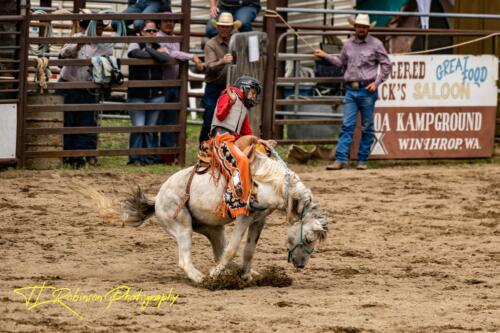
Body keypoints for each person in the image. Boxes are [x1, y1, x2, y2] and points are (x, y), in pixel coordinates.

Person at [314, 13, 391, 170]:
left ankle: (362, 160)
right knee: (347, 125)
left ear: (368, 28)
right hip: (351, 90)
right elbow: (340, 62)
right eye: (359, 26)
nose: (361, 29)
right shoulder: (348, 44)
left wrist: (376, 83)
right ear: (355, 27)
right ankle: (341, 159)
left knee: (367, 126)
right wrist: (325, 56)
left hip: (367, 89)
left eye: (364, 27)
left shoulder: (376, 44)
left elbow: (386, 64)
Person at [211, 76, 274, 218]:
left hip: (232, 140)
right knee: (243, 161)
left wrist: (262, 142)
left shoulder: (243, 108)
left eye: (255, 94)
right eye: (252, 92)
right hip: (220, 139)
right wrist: (230, 102)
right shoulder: (227, 96)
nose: (253, 96)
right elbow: (220, 116)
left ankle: (254, 192)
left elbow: (247, 133)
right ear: (244, 88)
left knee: (259, 153)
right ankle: (238, 199)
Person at [58, 18, 113, 168]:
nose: (101, 29)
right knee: (68, 120)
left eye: (102, 26)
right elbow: (62, 55)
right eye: (98, 26)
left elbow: (108, 65)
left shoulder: (106, 45)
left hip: (89, 87)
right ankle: (67, 155)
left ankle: (78, 156)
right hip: (69, 84)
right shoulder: (77, 38)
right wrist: (77, 46)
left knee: (86, 121)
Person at [157, 11, 204, 164]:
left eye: (172, 21)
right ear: (160, 23)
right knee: (163, 120)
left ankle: (168, 155)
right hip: (163, 84)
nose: (170, 23)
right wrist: (192, 56)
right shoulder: (158, 37)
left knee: (171, 120)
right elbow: (172, 54)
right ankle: (162, 155)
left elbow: (174, 53)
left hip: (173, 84)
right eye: (166, 21)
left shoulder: (175, 38)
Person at [126, 20, 171, 165]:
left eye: (154, 31)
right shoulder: (135, 43)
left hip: (156, 95)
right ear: (140, 32)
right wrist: (155, 54)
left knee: (150, 129)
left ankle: (148, 157)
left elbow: (165, 58)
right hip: (137, 95)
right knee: (139, 127)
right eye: (148, 30)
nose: (151, 33)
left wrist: (149, 50)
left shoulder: (158, 46)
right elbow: (134, 53)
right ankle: (135, 158)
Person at [199, 12, 240, 143]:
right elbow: (209, 66)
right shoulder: (211, 44)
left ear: (231, 28)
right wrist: (222, 61)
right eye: (221, 26)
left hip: (232, 88)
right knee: (209, 119)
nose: (224, 29)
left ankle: (224, 150)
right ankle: (204, 150)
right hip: (215, 87)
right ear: (217, 27)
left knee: (231, 121)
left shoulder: (237, 43)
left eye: (227, 26)